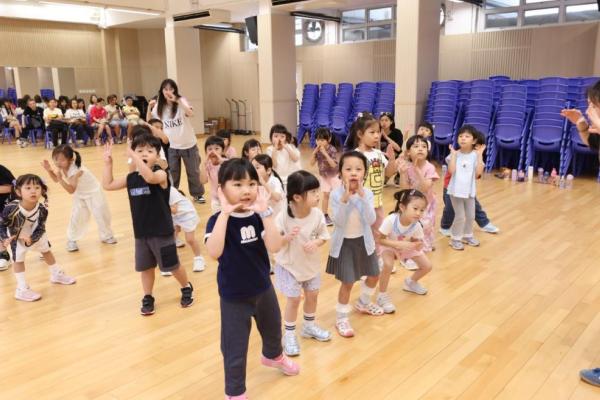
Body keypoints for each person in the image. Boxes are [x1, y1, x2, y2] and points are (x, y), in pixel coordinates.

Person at [205, 158, 300, 400]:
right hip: (234, 297)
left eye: (251, 184)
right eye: (237, 184)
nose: (246, 190)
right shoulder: (216, 221)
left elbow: (275, 246)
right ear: (222, 189)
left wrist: (265, 212)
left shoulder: (258, 217)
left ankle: (273, 356)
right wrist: (225, 213)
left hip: (263, 288)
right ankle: (235, 392)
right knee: (234, 346)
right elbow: (214, 252)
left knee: (273, 329)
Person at [102, 135, 194, 315]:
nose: (144, 154)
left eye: (149, 151)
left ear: (157, 156)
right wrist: (108, 164)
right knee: (145, 268)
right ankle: (148, 296)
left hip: (162, 231)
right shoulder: (131, 178)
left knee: (172, 266)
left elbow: (150, 177)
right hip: (141, 233)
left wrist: (134, 156)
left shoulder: (161, 174)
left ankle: (186, 286)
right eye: (140, 150)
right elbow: (108, 184)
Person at [326, 151, 383, 338]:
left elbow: (371, 219)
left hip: (364, 241)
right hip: (344, 244)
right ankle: (341, 318)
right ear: (340, 172)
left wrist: (361, 197)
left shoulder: (367, 193)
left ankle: (363, 302)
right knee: (348, 282)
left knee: (374, 274)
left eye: (358, 169)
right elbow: (339, 222)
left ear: (364, 173)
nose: (353, 172)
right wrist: (345, 200)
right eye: (348, 169)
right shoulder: (336, 195)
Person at [275, 170, 331, 357]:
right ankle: (289, 334)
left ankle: (308, 326)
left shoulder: (317, 214)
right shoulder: (284, 216)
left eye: (318, 191)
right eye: (313, 192)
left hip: (310, 265)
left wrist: (316, 243)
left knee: (312, 295)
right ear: (297, 197)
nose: (318, 195)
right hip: (290, 266)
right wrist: (286, 238)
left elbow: (324, 236)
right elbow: (274, 242)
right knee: (293, 300)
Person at [0, 174, 76, 302]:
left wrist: (32, 238)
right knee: (18, 260)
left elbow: (41, 228)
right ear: (18, 191)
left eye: (37, 187)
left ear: (42, 190)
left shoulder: (42, 209)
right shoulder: (11, 208)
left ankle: (56, 274)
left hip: (35, 234)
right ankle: (21, 289)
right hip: (16, 236)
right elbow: (2, 224)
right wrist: (7, 238)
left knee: (46, 251)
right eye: (28, 188)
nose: (33, 191)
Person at [41, 144, 117, 252]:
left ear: (71, 160)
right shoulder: (62, 167)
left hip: (94, 192)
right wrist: (49, 170)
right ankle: (72, 240)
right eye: (55, 159)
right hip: (80, 194)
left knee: (101, 214)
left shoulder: (77, 170)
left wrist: (61, 179)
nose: (58, 163)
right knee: (76, 217)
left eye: (62, 160)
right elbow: (56, 179)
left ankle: (107, 236)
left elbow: (71, 190)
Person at [376, 189, 433, 313]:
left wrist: (417, 245)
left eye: (422, 210)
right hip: (389, 245)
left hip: (406, 247)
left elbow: (416, 242)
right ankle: (382, 295)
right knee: (388, 265)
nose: (418, 213)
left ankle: (411, 283)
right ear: (402, 207)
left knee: (427, 266)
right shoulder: (391, 220)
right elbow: (379, 240)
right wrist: (398, 244)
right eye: (415, 208)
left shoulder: (417, 225)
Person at [151, 79, 206, 204]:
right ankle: (172, 194)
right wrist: (150, 108)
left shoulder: (181, 101)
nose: (168, 91)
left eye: (171, 89)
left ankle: (197, 194)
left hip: (189, 144)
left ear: (175, 90)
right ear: (161, 91)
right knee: (173, 172)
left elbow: (191, 113)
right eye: (165, 89)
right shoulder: (159, 107)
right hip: (171, 146)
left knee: (193, 171)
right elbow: (152, 122)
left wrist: (178, 101)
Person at [352, 112, 397, 237]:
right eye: (372, 132)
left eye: (378, 132)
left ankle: (375, 250)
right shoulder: (355, 155)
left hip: (377, 204)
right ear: (360, 134)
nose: (377, 136)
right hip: (360, 205)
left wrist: (392, 160)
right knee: (360, 235)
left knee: (378, 235)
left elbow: (388, 174)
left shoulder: (378, 153)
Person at [397, 135, 439, 253]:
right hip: (412, 202)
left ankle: (426, 245)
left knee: (426, 225)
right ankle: (411, 244)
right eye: (416, 146)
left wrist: (417, 171)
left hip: (427, 204)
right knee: (411, 223)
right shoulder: (407, 167)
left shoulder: (430, 167)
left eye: (424, 146)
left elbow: (425, 187)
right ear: (408, 152)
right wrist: (403, 174)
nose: (420, 149)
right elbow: (404, 189)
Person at [446, 125, 486, 251]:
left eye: (467, 136)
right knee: (460, 216)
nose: (463, 138)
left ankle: (467, 236)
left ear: (474, 141)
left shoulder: (475, 155)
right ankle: (455, 239)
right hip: (455, 191)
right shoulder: (454, 154)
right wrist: (453, 155)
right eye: (460, 136)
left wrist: (480, 155)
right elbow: (451, 171)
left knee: (470, 215)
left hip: (469, 191)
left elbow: (478, 173)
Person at [439, 172, 500, 236]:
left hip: (466, 186)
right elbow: (452, 170)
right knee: (450, 208)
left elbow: (477, 174)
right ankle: (445, 227)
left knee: (475, 206)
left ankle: (484, 223)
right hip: (451, 186)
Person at [169, 187, 206, 273]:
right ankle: (170, 262)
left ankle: (199, 258)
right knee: (171, 239)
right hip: (173, 215)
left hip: (187, 214)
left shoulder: (171, 191)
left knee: (190, 239)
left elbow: (174, 210)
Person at [310, 127, 340, 226]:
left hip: (334, 176)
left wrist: (325, 154)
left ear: (329, 139)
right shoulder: (317, 150)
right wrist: (314, 153)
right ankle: (325, 215)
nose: (320, 142)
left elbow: (333, 165)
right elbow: (311, 164)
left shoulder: (332, 149)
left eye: (322, 140)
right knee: (326, 195)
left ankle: (339, 215)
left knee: (337, 196)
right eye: (318, 139)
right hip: (324, 176)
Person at [200, 136, 226, 213]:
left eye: (216, 149)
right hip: (215, 199)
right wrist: (203, 165)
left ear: (223, 151)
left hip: (228, 197)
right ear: (206, 152)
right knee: (216, 217)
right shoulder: (207, 165)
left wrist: (222, 162)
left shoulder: (227, 162)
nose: (213, 151)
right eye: (210, 149)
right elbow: (203, 181)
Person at [0, 164, 15, 271]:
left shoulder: (1, 170)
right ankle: (3, 254)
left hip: (8, 206)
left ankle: (41, 246)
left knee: (23, 229)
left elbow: (13, 187)